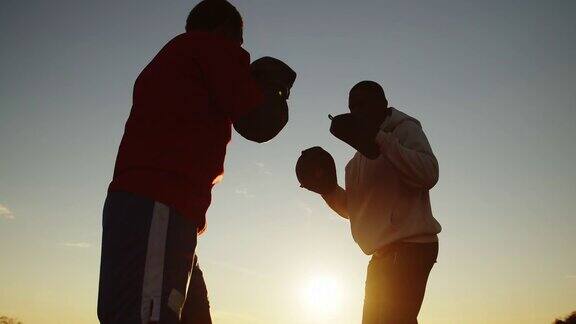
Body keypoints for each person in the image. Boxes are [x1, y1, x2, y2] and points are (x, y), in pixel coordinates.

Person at [97, 1, 296, 323]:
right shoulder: (211, 47)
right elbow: (259, 124)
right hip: (160, 202)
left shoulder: (169, 59)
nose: (240, 52)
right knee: (147, 314)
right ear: (224, 32)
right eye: (239, 43)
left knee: (181, 313)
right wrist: (275, 91)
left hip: (143, 206)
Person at [296, 81, 441, 324]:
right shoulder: (356, 163)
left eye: (362, 104)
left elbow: (428, 173)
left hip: (411, 246)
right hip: (381, 254)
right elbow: (355, 210)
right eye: (352, 107)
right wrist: (327, 190)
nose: (356, 111)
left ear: (383, 104)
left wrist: (380, 139)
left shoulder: (404, 130)